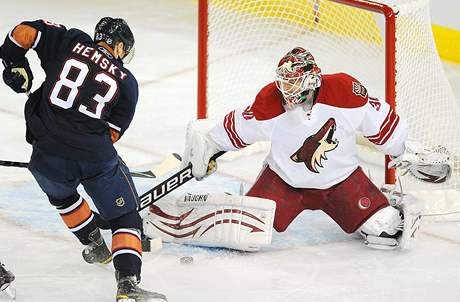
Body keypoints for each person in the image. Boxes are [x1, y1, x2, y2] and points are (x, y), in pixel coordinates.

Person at [179, 47, 452, 250]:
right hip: (283, 182)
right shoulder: (270, 102)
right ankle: (240, 203)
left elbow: (378, 122)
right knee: (245, 234)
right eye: (283, 81)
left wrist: (404, 148)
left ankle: (384, 205)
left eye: (293, 82)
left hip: (341, 182)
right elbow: (239, 126)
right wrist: (210, 143)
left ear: (311, 79)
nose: (286, 89)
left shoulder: (345, 92)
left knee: (387, 230)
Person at [0, 18, 166, 301]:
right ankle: (127, 283)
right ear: (121, 46)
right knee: (125, 217)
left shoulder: (70, 41)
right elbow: (112, 134)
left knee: (64, 198)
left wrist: (14, 63)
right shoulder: (127, 82)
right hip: (94, 158)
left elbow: (23, 32)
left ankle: (95, 245)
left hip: (45, 157)